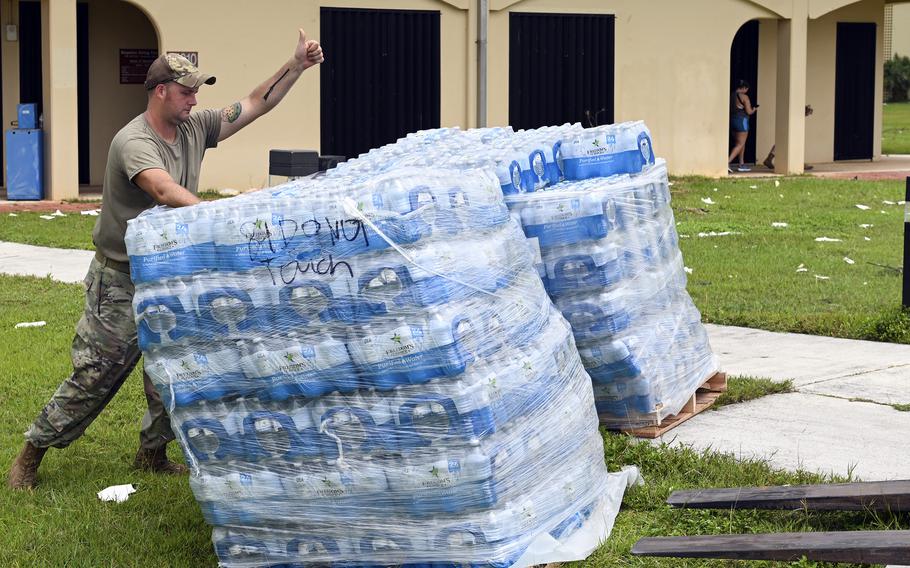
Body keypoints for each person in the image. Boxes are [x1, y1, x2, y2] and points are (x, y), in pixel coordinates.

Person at [7, 30, 324, 490]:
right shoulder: (133, 140)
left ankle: (152, 455)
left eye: (197, 91)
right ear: (161, 91)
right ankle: (30, 455)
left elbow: (255, 103)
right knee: (95, 374)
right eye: (187, 91)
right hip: (122, 280)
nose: (195, 99)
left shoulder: (195, 125)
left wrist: (296, 64)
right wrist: (221, 215)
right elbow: (161, 189)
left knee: (173, 371)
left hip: (172, 276)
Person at [762, 105, 814, 170]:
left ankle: (769, 159)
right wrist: (804, 111)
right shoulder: (793, 108)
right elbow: (794, 112)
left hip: (788, 122)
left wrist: (804, 111)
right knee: (788, 143)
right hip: (789, 123)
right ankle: (799, 164)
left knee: (782, 142)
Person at [727, 79, 758, 173]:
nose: (747, 91)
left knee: (740, 143)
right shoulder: (744, 96)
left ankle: (741, 164)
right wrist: (754, 109)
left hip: (732, 120)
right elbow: (748, 111)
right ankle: (726, 162)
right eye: (746, 89)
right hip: (742, 121)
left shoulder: (731, 95)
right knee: (740, 144)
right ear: (744, 88)